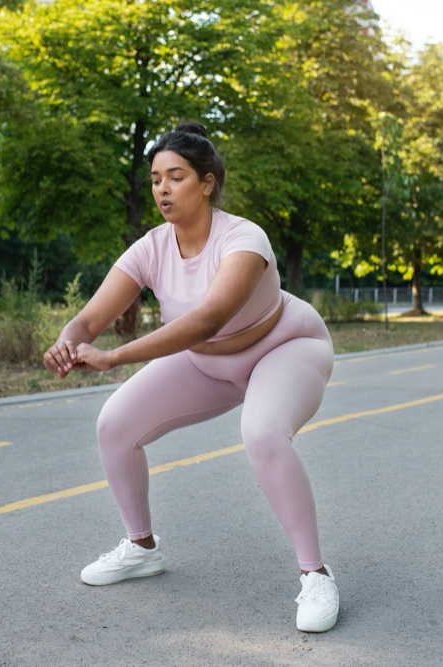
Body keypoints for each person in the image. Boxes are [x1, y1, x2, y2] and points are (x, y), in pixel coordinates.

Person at [42, 122, 339, 633]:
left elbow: (206, 319)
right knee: (115, 424)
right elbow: (90, 319)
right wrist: (69, 340)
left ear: (206, 183)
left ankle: (317, 574)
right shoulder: (151, 248)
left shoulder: (244, 238)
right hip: (207, 364)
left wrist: (113, 358)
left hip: (284, 348)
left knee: (263, 433)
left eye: (175, 177)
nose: (161, 189)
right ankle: (140, 548)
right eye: (155, 179)